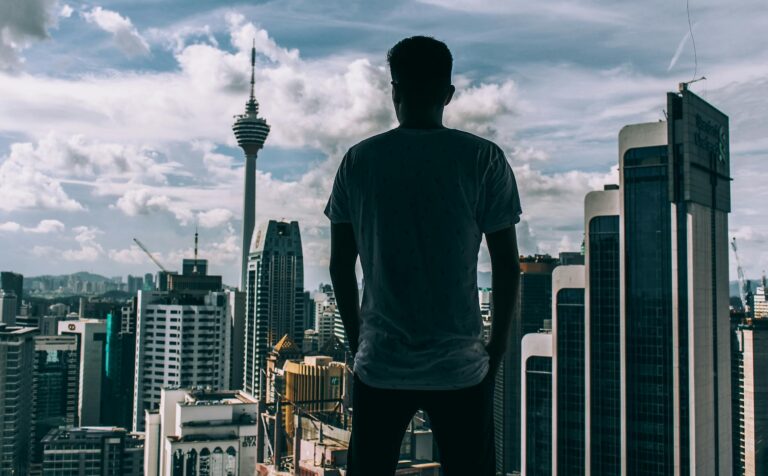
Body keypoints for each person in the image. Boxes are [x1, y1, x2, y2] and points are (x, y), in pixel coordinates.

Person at [324, 35, 521, 475]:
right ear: (448, 94)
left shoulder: (358, 161)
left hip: (380, 365)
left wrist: (359, 345)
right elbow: (507, 266)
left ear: (394, 90)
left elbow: (340, 264)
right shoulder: (483, 159)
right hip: (461, 367)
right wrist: (497, 349)